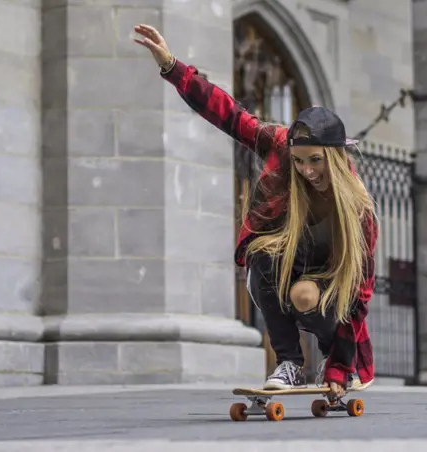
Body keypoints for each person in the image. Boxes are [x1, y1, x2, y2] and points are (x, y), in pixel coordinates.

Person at [133, 24, 378, 399]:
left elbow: (358, 295)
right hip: (290, 255)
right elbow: (230, 115)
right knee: (261, 253)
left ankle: (332, 352)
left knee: (306, 298)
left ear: (335, 156)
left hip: (329, 279)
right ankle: (290, 363)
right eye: (298, 162)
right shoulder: (279, 145)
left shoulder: (358, 209)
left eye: (315, 161)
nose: (306, 171)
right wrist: (172, 68)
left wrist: (341, 367)